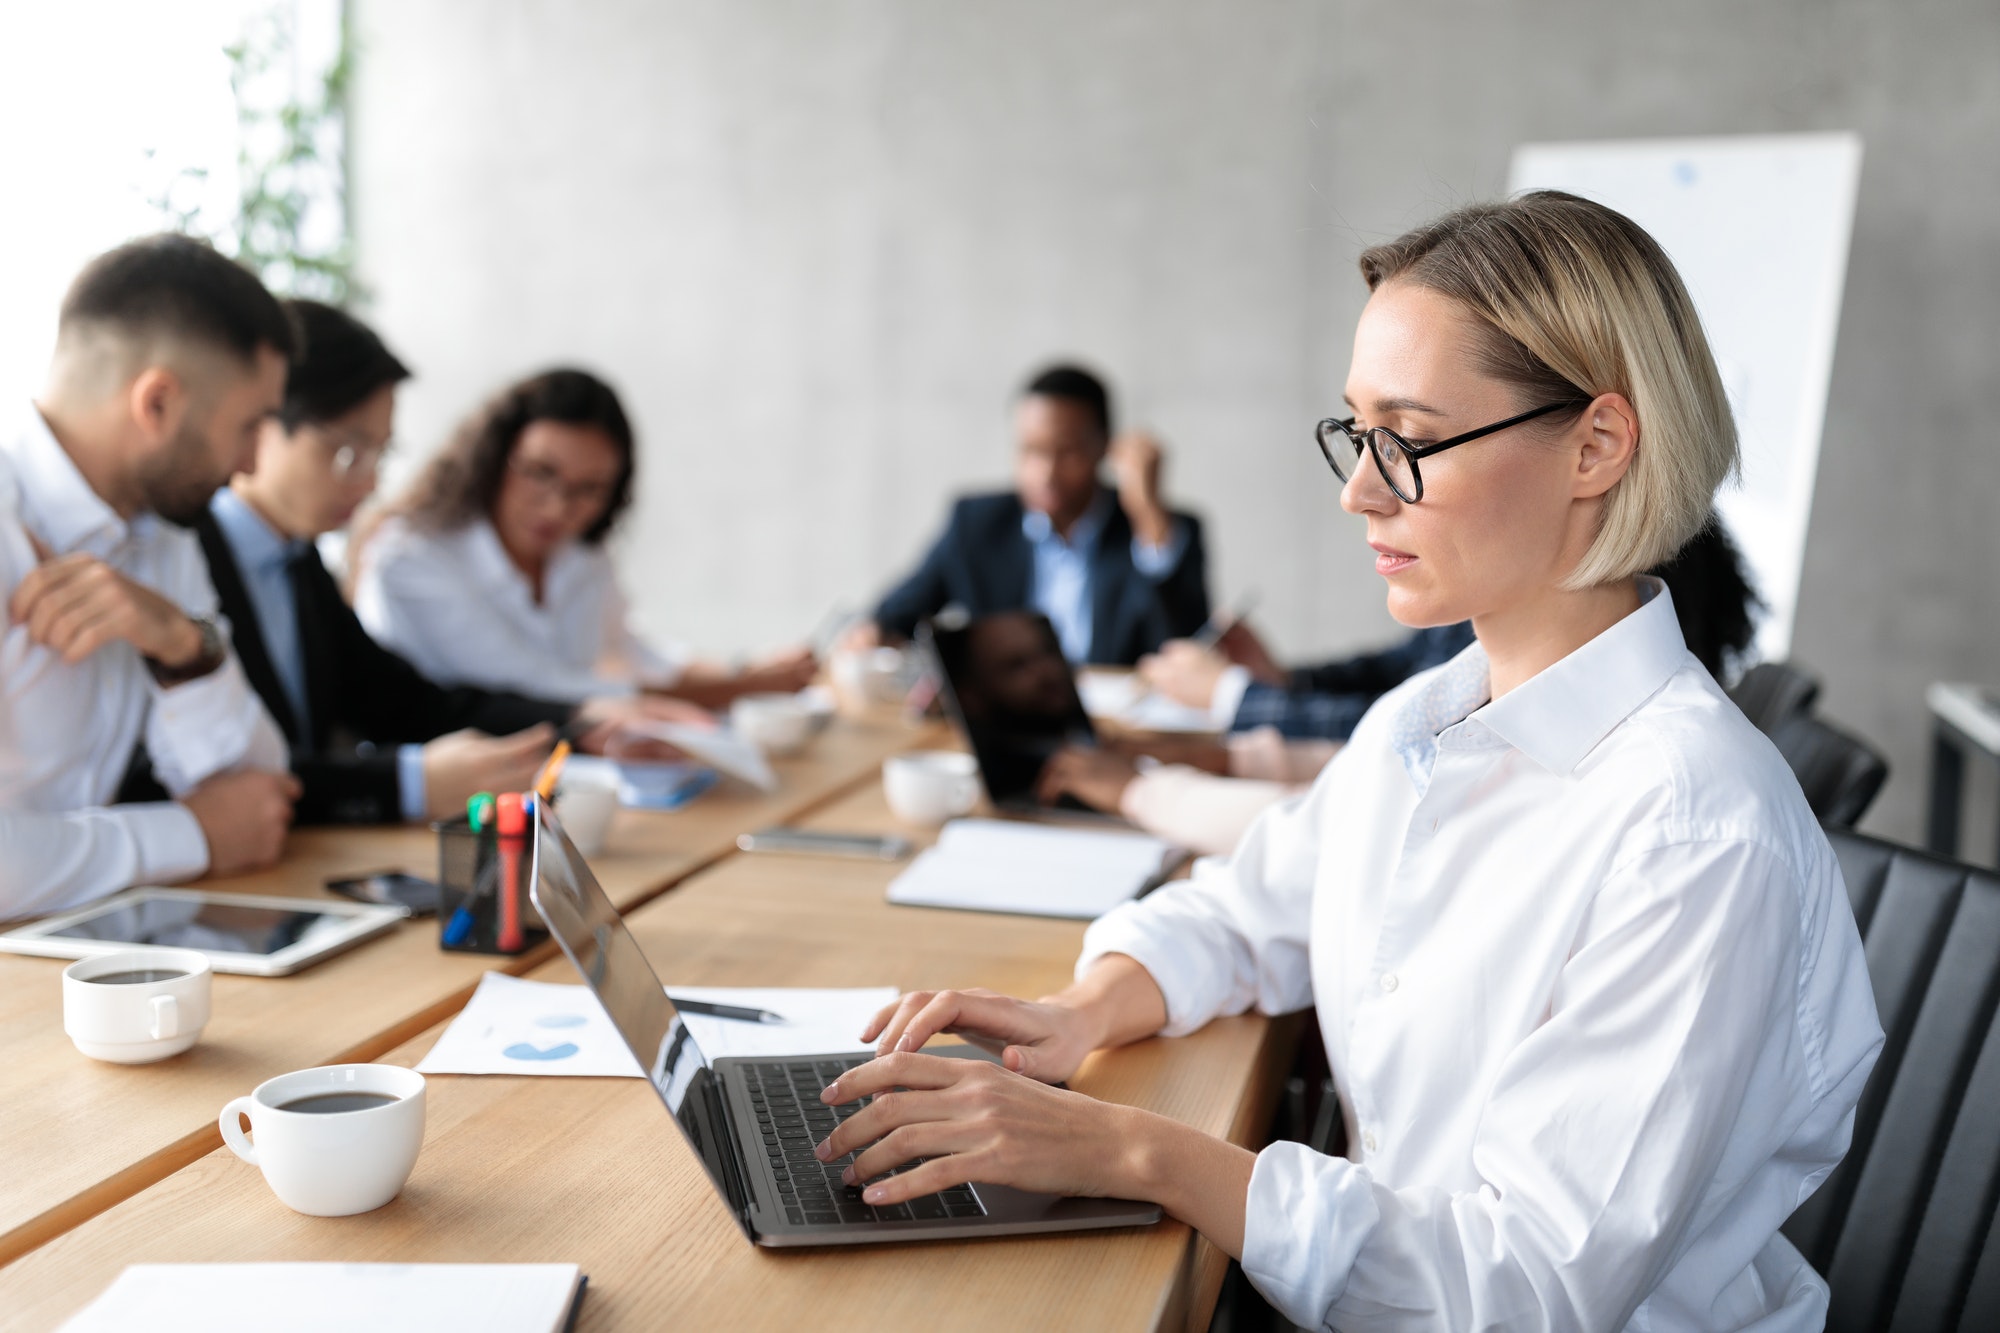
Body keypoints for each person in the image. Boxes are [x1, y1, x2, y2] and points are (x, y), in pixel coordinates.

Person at [809, 193, 1883, 1330]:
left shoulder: (1694, 828)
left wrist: (1130, 1147)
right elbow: (1247, 909)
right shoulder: (1424, 719)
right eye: (1355, 432)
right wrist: (1082, 1011)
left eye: (1408, 439)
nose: (1357, 489)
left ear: (1596, 445)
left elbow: (1516, 1289)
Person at [195, 302, 703, 826]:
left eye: (380, 453)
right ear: (262, 423)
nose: (369, 483)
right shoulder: (185, 560)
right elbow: (227, 777)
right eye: (349, 452)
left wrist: (575, 722)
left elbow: (405, 702)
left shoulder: (297, 563)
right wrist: (410, 783)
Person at [1047, 518, 1766, 854]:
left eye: (1415, 440)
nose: (1361, 493)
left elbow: (1339, 835)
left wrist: (1151, 780)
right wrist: (1268, 693)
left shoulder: (1679, 827)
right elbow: (1365, 768)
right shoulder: (1464, 679)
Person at [0, 235, 298, 919]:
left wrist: (181, 641)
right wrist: (190, 834)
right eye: (250, 425)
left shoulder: (164, 538)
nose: (253, 465)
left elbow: (258, 792)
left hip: (80, 961)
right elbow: (225, 823)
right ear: (157, 403)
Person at [353, 368, 815, 708]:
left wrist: (746, 668)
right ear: (494, 457)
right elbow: (538, 683)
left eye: (588, 489)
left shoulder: (579, 558)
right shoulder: (413, 558)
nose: (558, 507)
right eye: (540, 473)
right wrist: (746, 686)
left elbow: (633, 650)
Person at [853, 364, 1210, 666]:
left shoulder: (1158, 530)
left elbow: (1187, 650)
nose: (1045, 473)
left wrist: (1149, 519)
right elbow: (897, 614)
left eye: (1066, 452)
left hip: (1118, 732)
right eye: (1031, 451)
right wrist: (872, 636)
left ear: (1104, 448)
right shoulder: (977, 524)